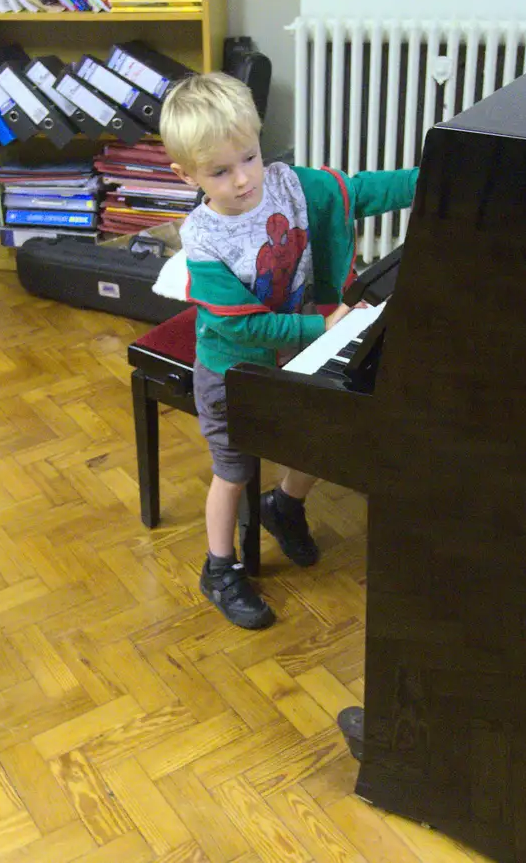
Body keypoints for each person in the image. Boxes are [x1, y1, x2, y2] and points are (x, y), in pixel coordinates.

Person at [162, 72, 419, 629]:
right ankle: (219, 567)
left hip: (297, 353)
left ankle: (286, 505)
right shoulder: (203, 240)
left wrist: (436, 181)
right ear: (186, 175)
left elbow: (366, 191)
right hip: (232, 370)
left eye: (249, 158)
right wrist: (322, 327)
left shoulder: (289, 185)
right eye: (220, 172)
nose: (242, 180)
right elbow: (245, 326)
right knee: (233, 469)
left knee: (316, 435)